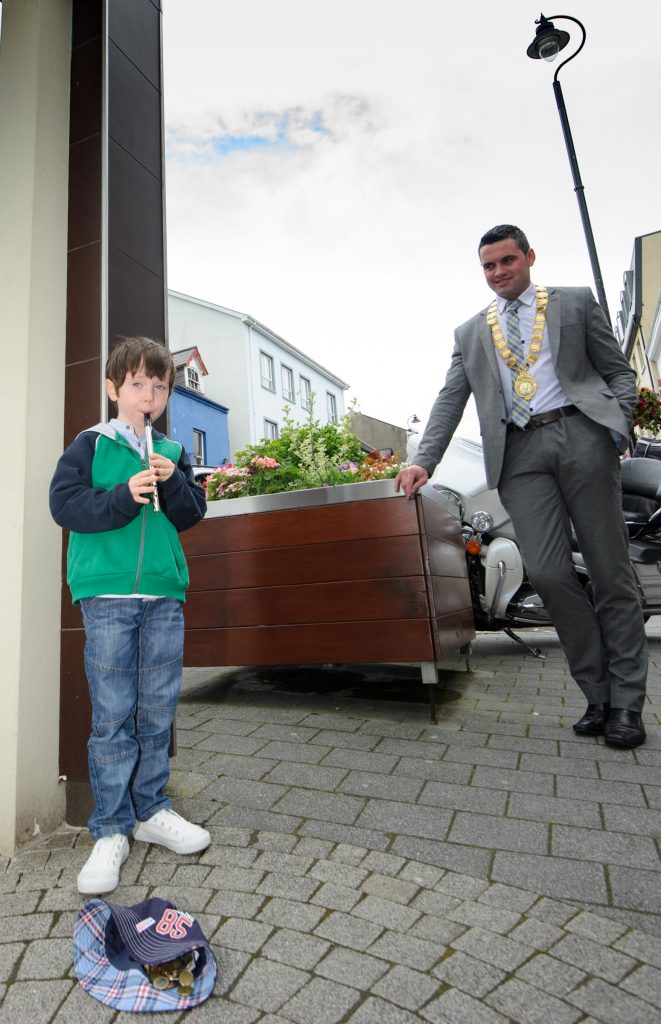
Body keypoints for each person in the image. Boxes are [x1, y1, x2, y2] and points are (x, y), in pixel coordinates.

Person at [395, 225, 647, 749]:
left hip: (581, 435)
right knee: (552, 574)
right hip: (519, 454)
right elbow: (448, 401)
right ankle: (595, 692)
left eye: (507, 261)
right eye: (488, 266)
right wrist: (424, 461)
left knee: (609, 572)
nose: (498, 273)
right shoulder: (470, 333)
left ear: (529, 257)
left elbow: (618, 372)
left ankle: (626, 703)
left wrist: (616, 422)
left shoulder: (575, 304)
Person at [50, 337, 210, 894]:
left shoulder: (171, 450)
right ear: (114, 389)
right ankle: (111, 828)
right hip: (108, 595)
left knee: (158, 709)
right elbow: (65, 505)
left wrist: (174, 481)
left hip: (164, 594)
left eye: (159, 386)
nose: (149, 394)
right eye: (137, 384)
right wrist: (124, 494)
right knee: (113, 713)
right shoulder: (90, 445)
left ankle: (150, 812)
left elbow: (191, 515)